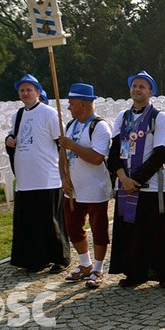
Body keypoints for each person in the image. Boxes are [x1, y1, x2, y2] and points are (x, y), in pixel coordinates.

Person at [107, 70, 165, 288]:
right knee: (132, 232)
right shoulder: (122, 118)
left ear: (150, 92)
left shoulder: (159, 117)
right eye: (134, 86)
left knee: (157, 232)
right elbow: (114, 152)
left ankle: (163, 273)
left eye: (142, 87)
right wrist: (122, 178)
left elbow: (159, 155)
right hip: (126, 185)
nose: (137, 89)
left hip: (151, 186)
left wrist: (134, 181)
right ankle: (135, 272)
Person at [6, 74, 70, 273]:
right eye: (22, 90)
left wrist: (64, 171)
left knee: (50, 221)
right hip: (26, 178)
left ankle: (59, 257)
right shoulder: (17, 115)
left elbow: (60, 142)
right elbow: (13, 134)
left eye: (29, 90)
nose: (25, 93)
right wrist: (9, 139)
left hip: (46, 175)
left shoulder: (48, 113)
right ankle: (35, 259)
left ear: (38, 92)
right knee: (29, 221)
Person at [57, 83, 113, 288]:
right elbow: (62, 156)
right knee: (73, 226)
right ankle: (85, 264)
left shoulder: (99, 126)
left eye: (72, 103)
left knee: (98, 228)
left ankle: (98, 268)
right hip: (73, 188)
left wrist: (71, 145)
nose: (69, 107)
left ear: (83, 103)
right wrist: (64, 178)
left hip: (94, 186)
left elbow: (97, 158)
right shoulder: (70, 125)